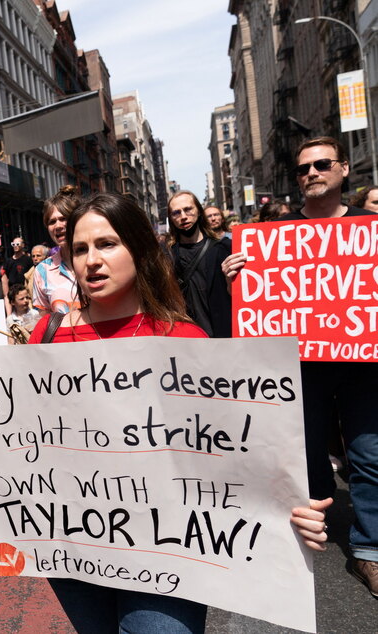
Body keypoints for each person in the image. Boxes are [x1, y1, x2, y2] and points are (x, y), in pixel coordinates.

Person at [0, 193, 331, 632]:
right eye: (81, 248)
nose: (91, 261)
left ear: (139, 248)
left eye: (107, 244)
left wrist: (287, 510)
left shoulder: (184, 338)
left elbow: (236, 455)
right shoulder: (47, 336)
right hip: (71, 544)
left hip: (169, 551)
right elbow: (19, 442)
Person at [223, 136, 378, 597]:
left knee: (369, 454)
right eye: (303, 168)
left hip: (363, 365)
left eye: (322, 164)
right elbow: (259, 303)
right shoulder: (274, 237)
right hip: (301, 365)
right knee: (304, 452)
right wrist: (239, 279)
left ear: (344, 168)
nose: (311, 173)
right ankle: (314, 521)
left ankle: (370, 551)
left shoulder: (371, 228)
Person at [166, 190, 232, 338]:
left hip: (222, 335)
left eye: (188, 209)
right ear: (171, 219)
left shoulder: (223, 248)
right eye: (176, 213)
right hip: (187, 337)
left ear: (199, 212)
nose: (183, 217)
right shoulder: (166, 255)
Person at [31, 185, 80, 315]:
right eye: (52, 222)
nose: (58, 226)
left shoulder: (96, 260)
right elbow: (44, 317)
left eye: (63, 219)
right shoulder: (43, 270)